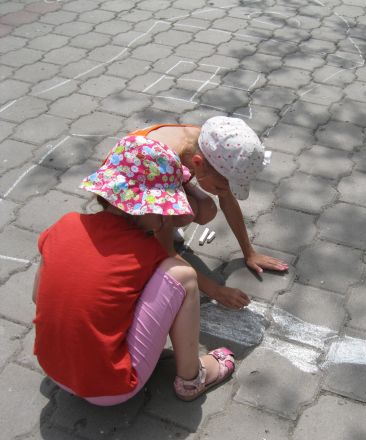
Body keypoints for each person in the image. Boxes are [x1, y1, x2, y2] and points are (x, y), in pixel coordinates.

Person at [33, 135, 234, 405]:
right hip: (111, 388)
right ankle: (191, 379)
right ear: (146, 208)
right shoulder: (147, 250)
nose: (168, 219)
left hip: (52, 368)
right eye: (164, 211)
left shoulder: (64, 224)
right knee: (182, 276)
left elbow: (37, 296)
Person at [126, 116, 289, 310]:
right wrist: (215, 290)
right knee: (182, 218)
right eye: (219, 187)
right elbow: (166, 250)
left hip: (158, 176)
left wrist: (249, 253)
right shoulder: (162, 166)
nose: (223, 192)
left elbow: (227, 199)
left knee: (205, 210)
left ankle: (162, 221)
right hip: (129, 190)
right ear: (198, 163)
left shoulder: (206, 143)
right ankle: (142, 230)